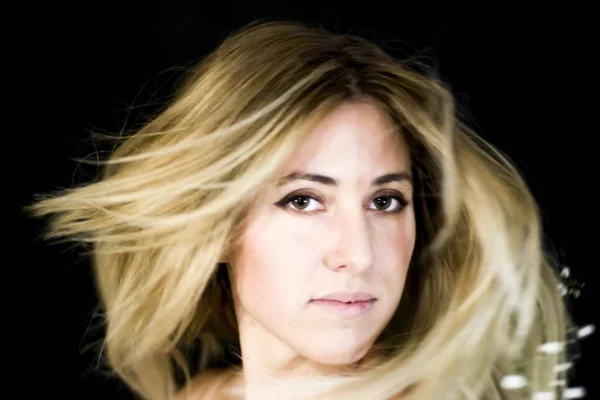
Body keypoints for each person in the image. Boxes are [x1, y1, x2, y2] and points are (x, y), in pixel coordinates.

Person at [27, 19, 582, 400]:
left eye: (386, 201)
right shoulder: (204, 395)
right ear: (215, 226)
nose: (357, 254)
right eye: (304, 200)